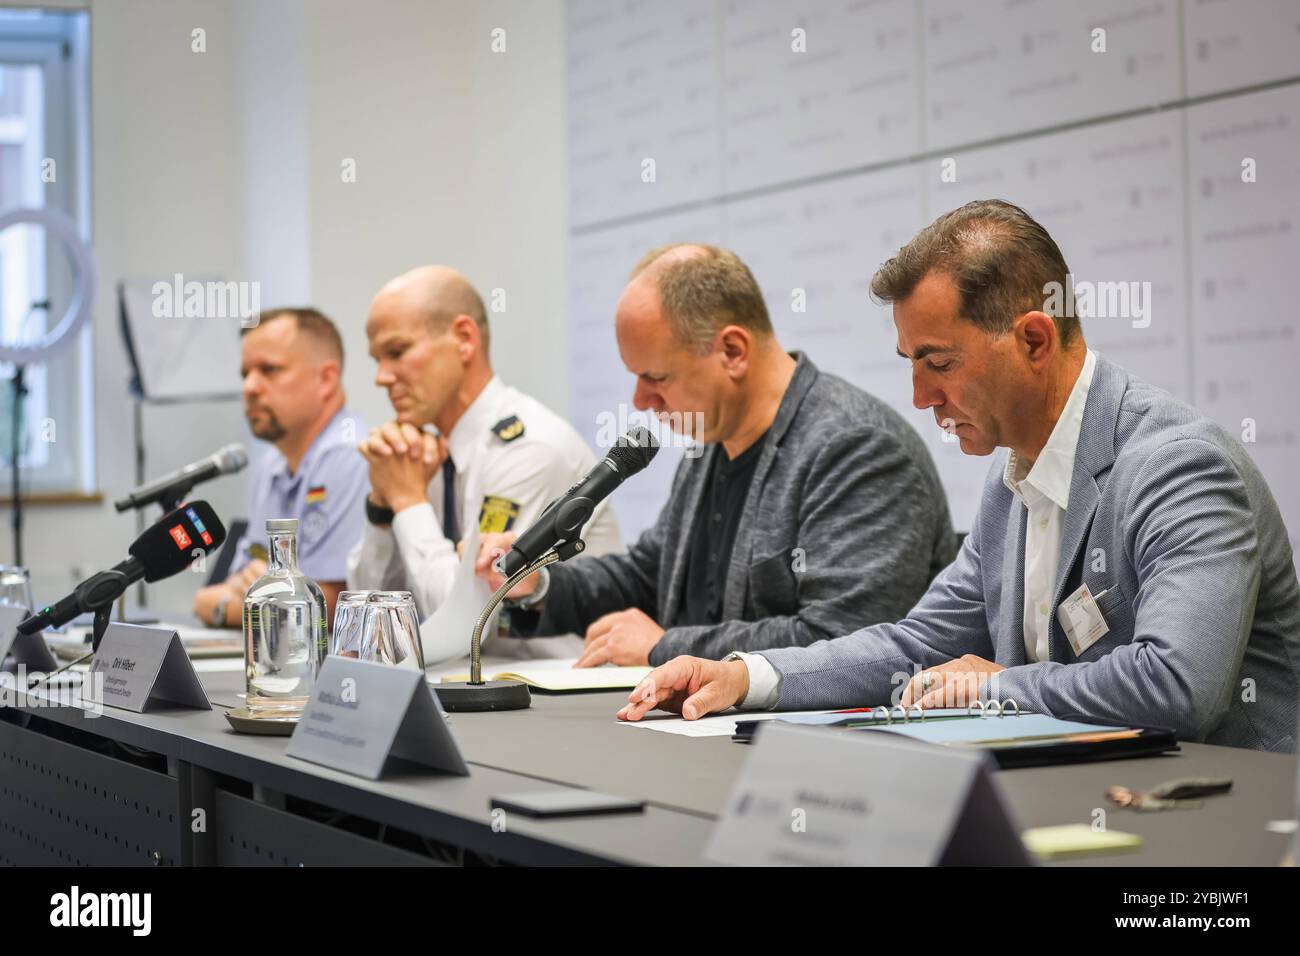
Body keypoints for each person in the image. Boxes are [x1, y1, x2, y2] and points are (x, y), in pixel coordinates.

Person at [617, 201, 1300, 753]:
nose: (919, 397)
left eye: (938, 363)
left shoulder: (1178, 465)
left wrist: (996, 687)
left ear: (1034, 339)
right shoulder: (1012, 480)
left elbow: (1178, 686)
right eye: (909, 361)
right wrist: (746, 675)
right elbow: (915, 644)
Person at [477, 243, 956, 668]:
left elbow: (842, 640)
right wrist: (538, 585)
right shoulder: (710, 441)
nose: (641, 401)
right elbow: (649, 574)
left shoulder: (856, 449)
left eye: (656, 378)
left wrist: (666, 647)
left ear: (732, 350)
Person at [346, 265, 623, 659]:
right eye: (376, 359)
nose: (381, 377)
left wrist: (408, 501)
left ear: (463, 339)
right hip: (476, 691)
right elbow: (368, 618)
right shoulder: (426, 455)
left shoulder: (530, 449)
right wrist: (382, 506)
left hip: (555, 696)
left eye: (397, 352)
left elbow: (471, 627)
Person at [194, 308, 368, 627]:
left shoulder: (352, 454)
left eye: (269, 370)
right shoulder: (272, 463)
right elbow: (236, 582)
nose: (250, 387)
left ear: (326, 379)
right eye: (245, 373)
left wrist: (224, 607)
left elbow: (331, 607)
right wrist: (259, 599)